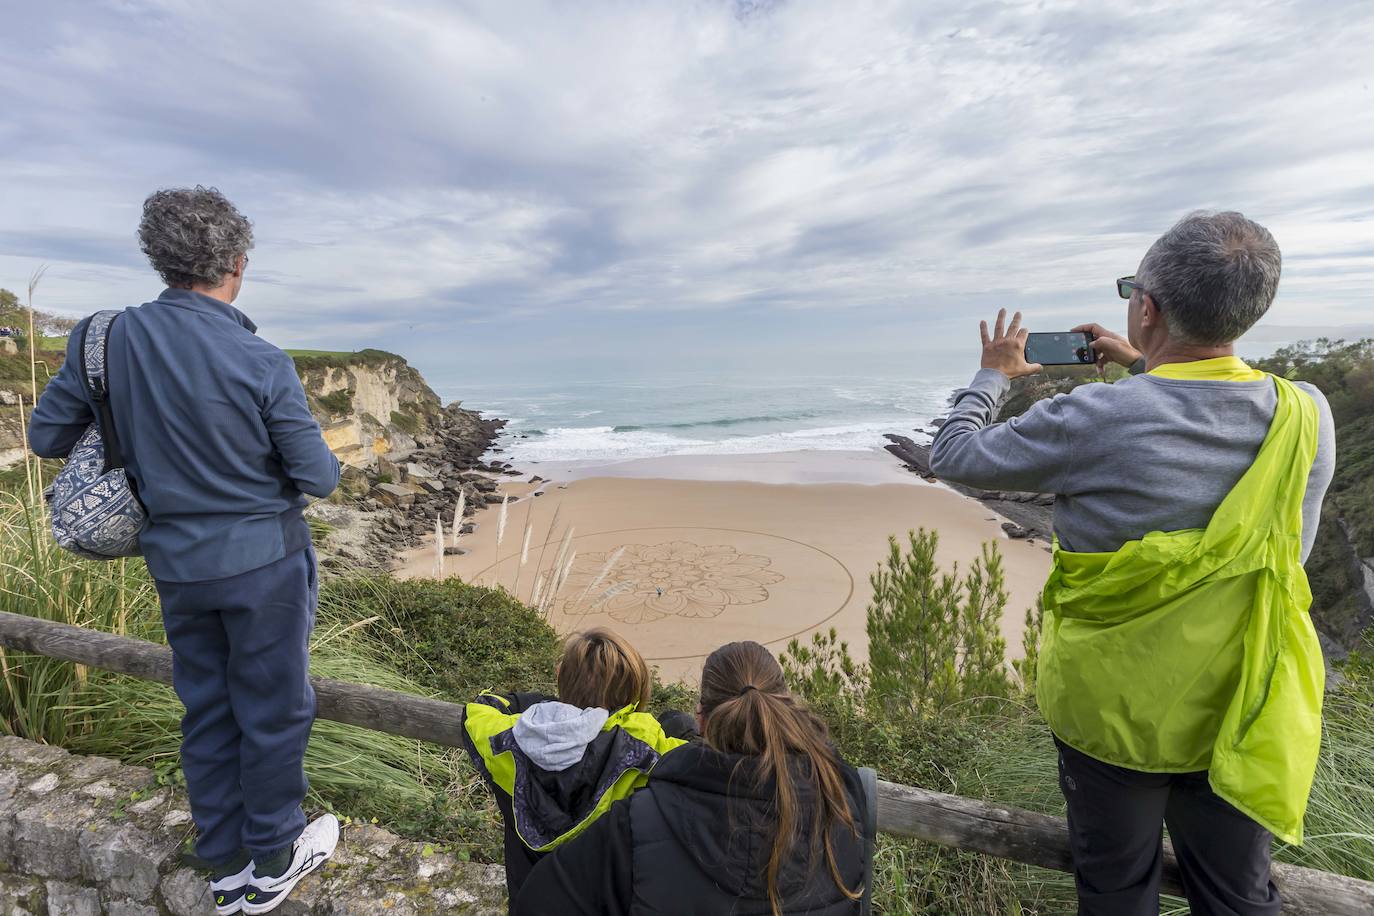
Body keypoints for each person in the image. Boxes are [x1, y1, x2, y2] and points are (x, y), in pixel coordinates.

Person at [929, 211, 1336, 916]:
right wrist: (1148, 359)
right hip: (1241, 703)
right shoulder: (1307, 414)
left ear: (1146, 308)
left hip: (1113, 713)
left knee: (1115, 890)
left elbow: (953, 455)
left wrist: (991, 376)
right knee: (1237, 897)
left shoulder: (1098, 416)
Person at [28, 187, 341, 915]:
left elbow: (47, 436)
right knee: (274, 708)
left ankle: (224, 862)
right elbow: (318, 477)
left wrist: (149, 435)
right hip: (264, 563)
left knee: (205, 705)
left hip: (176, 563)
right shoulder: (260, 358)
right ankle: (274, 856)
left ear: (159, 259)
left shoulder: (103, 337)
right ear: (236, 263)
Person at [515, 640, 870, 916]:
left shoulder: (640, 823)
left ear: (701, 720)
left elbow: (537, 903)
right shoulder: (843, 798)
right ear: (784, 707)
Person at [460, 628, 695, 912]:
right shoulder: (641, 744)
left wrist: (542, 703)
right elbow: (697, 755)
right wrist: (681, 725)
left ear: (560, 676)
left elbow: (480, 709)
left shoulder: (512, 739)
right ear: (633, 694)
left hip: (529, 905)